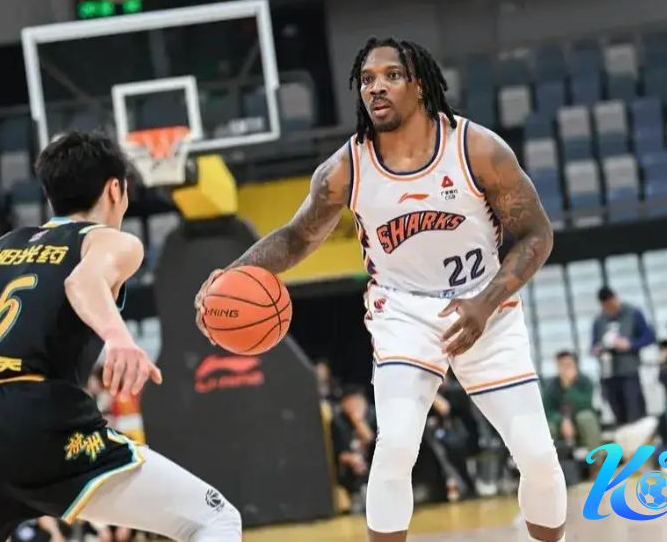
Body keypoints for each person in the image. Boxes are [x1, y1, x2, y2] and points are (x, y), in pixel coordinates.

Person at [195, 37, 564, 542]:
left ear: (420, 85)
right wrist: (230, 276)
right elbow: (298, 237)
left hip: (483, 302)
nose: (376, 87)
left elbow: (538, 234)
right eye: (367, 79)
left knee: (538, 455)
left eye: (391, 75)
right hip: (403, 311)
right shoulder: (346, 167)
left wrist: (485, 303)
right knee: (395, 448)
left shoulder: (477, 149)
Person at [0, 131, 241, 541]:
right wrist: (119, 338)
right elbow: (82, 282)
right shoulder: (109, 240)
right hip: (30, 415)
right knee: (212, 518)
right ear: (116, 189)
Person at [590, 287, 654, 425]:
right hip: (608, 373)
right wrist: (598, 349)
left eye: (611, 304)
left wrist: (630, 344)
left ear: (616, 298)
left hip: (629, 371)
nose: (610, 308)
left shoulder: (633, 313)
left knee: (635, 410)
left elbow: (649, 336)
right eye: (606, 306)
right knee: (618, 414)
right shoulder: (599, 321)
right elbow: (593, 346)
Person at [542, 352, 601, 455]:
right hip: (561, 426)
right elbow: (548, 410)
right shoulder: (551, 386)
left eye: (568, 364)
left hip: (580, 422)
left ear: (575, 365)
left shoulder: (585, 382)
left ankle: (597, 460)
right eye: (562, 365)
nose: (565, 368)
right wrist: (562, 420)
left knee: (586, 418)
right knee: (549, 428)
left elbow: (585, 404)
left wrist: (569, 386)